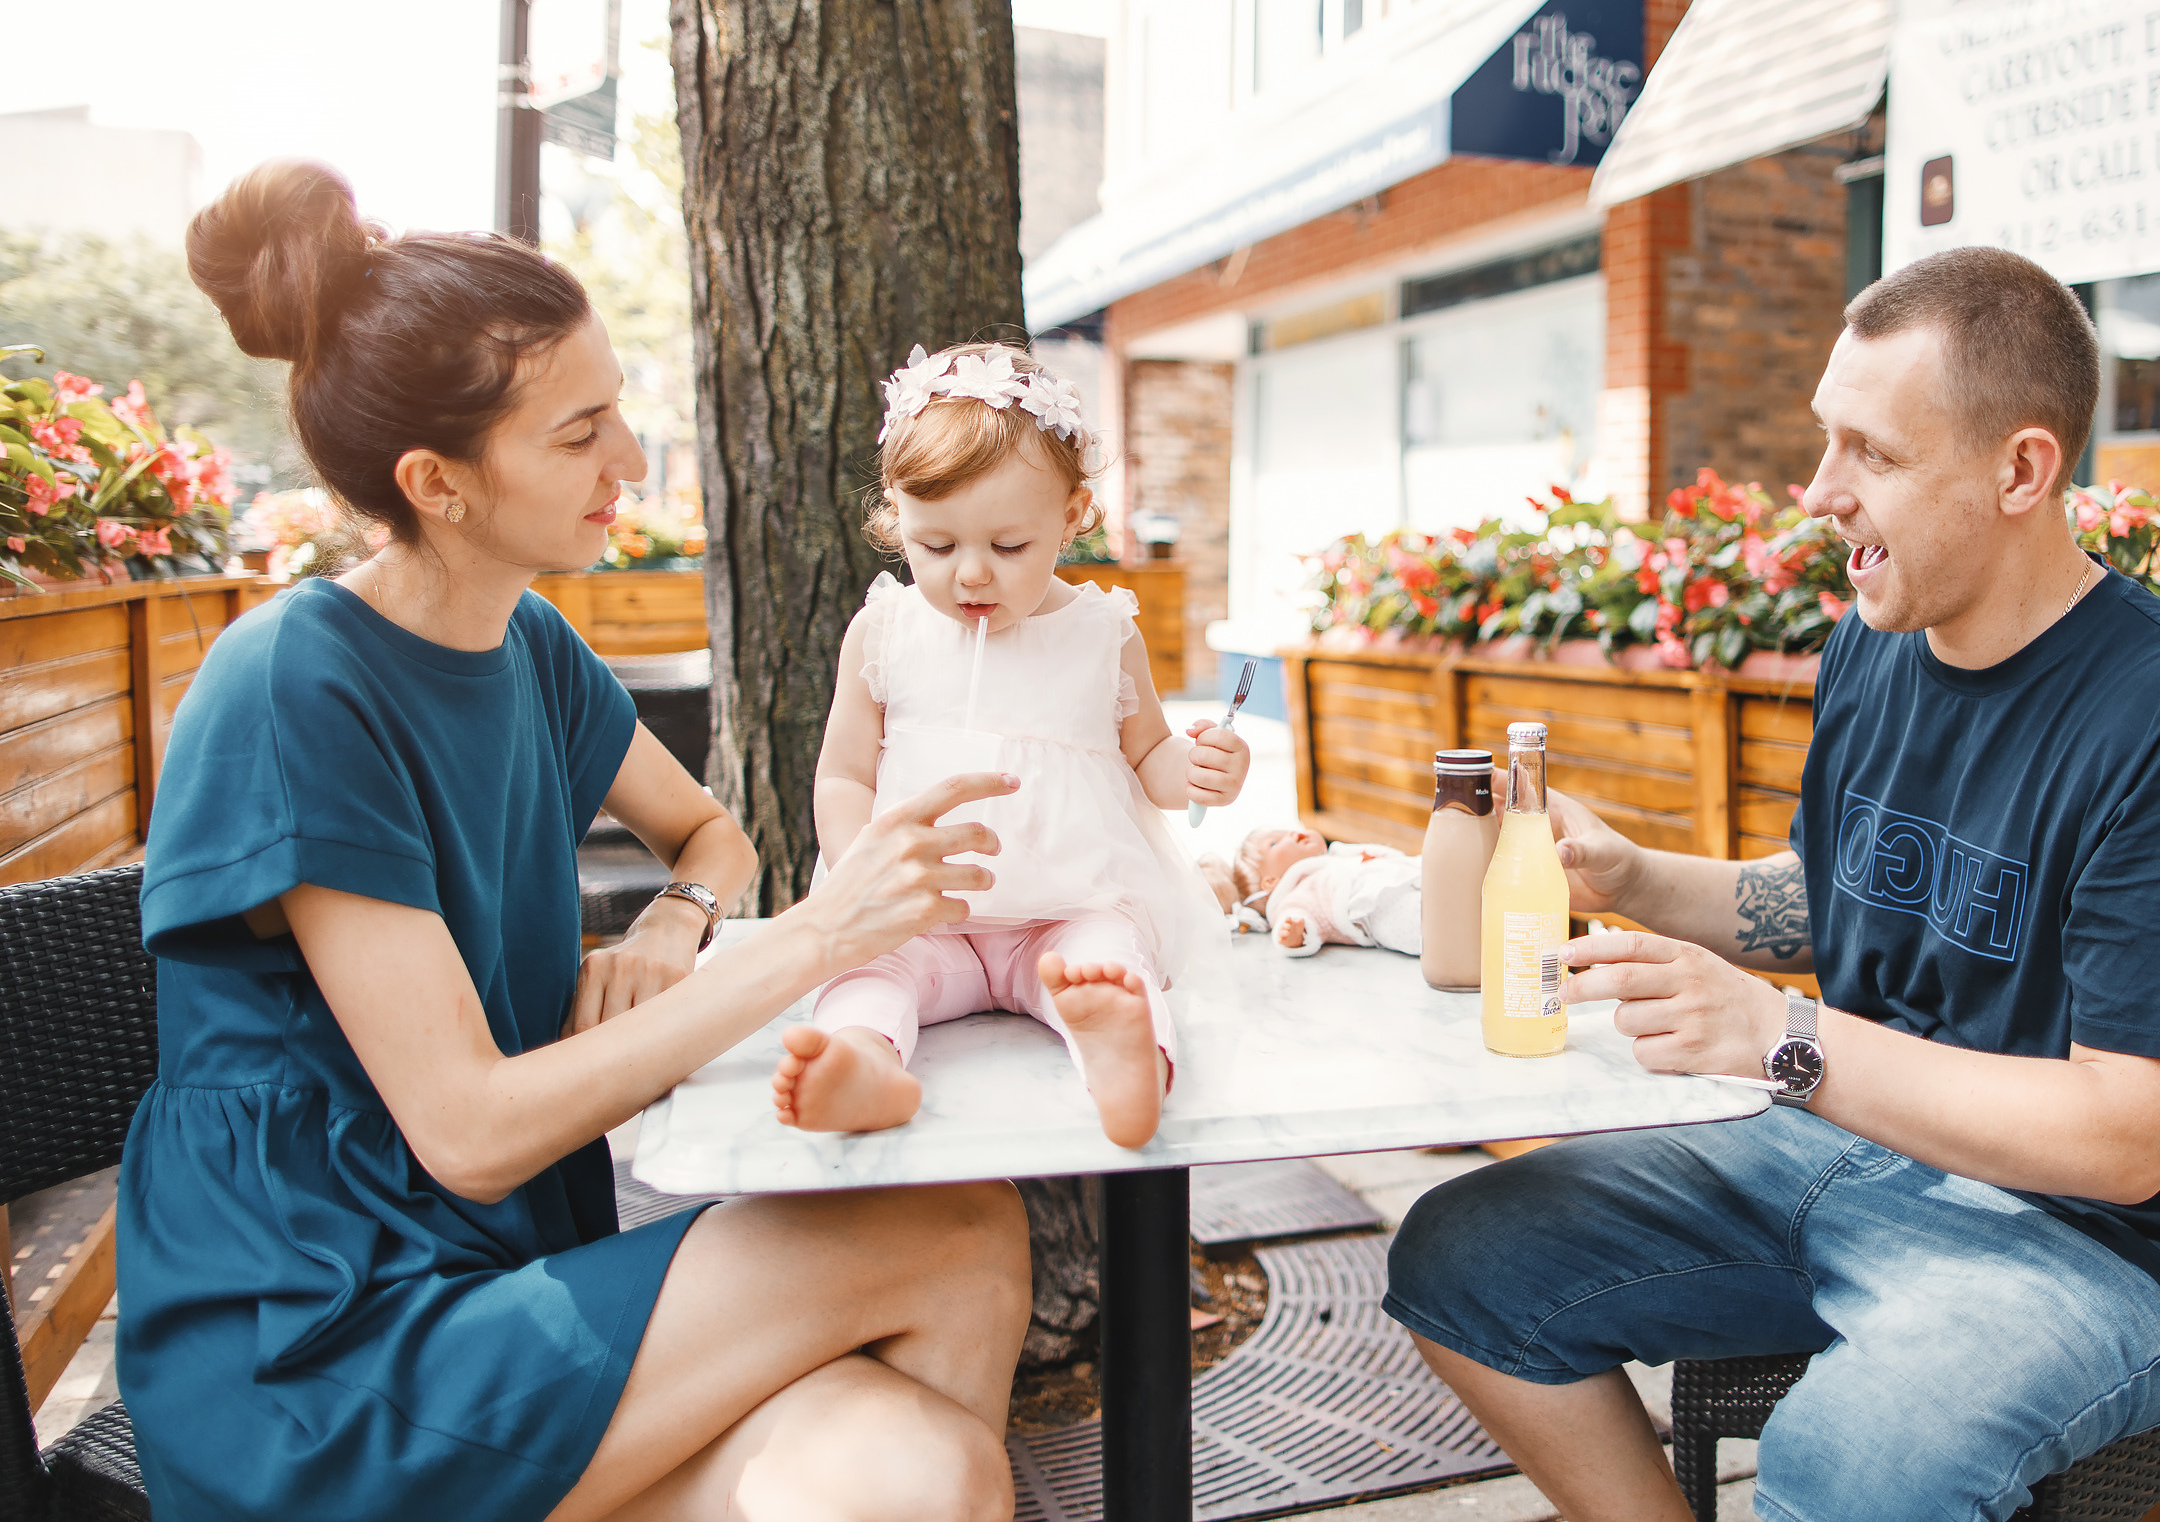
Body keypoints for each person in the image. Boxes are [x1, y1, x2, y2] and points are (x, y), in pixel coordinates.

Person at [124, 160, 1031, 1522]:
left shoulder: (529, 642)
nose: (631, 462)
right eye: (579, 431)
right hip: (323, 1359)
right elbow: (472, 1129)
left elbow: (709, 831)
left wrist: (671, 919)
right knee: (953, 1226)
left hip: (496, 1295)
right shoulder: (294, 684)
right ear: (438, 481)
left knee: (920, 1470)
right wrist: (821, 937)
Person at [1383, 247, 2160, 1522]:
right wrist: (1633, 875)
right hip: (1838, 1154)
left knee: (1854, 1463)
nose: (1819, 492)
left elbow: (2127, 1138)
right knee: (1460, 1257)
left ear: (2020, 470)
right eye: (1825, 442)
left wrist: (1782, 1039)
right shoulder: (1874, 649)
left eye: (1873, 453)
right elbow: (1825, 899)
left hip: (2093, 1247)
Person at [769, 342, 1244, 1148]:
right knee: (867, 969)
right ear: (897, 519)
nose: (971, 575)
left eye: (1008, 546)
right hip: (918, 912)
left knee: (1106, 962)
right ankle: (863, 1060)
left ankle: (1128, 1056)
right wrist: (861, 864)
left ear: (1070, 514)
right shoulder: (884, 630)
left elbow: (1150, 756)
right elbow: (845, 772)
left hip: (1062, 909)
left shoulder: (1101, 630)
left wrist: (1197, 769)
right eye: (937, 546)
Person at [1201, 826, 1425, 957]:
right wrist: (1294, 933)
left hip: (1410, 878)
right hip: (1375, 912)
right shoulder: (1293, 896)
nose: (1292, 834)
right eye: (1274, 844)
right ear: (1271, 881)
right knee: (1424, 923)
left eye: (1287, 830)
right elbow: (1295, 920)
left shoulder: (1336, 855)